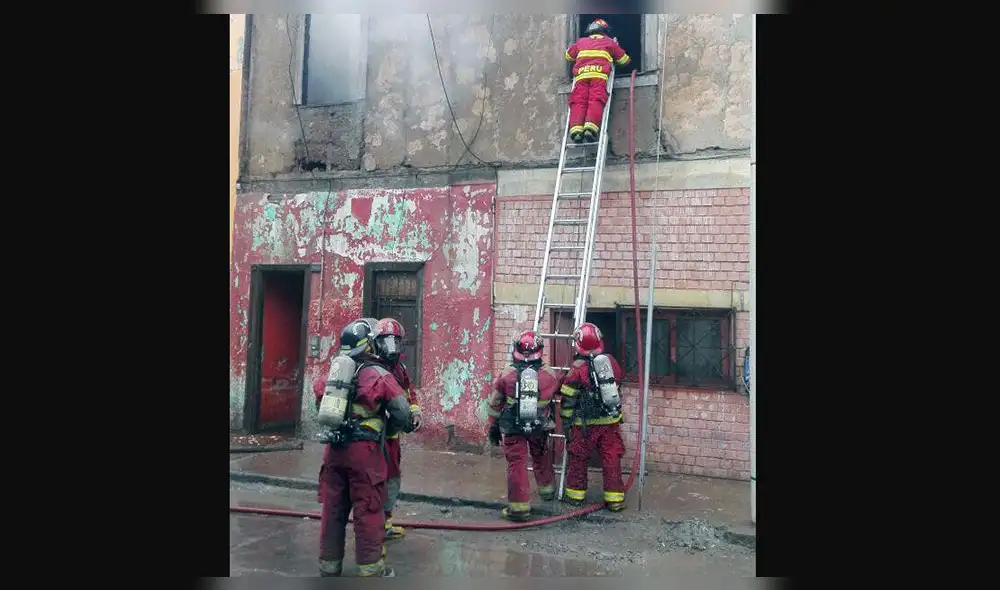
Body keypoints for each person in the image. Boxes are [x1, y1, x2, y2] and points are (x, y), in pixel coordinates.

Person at [314, 318, 414, 577]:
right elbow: (401, 411)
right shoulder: (378, 374)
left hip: (334, 451)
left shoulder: (333, 374)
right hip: (365, 454)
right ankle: (371, 570)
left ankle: (329, 566)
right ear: (369, 344)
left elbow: (319, 399)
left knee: (333, 510)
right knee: (368, 509)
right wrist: (391, 430)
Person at [486, 330, 562, 521]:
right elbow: (559, 391)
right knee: (541, 455)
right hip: (539, 426)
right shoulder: (550, 375)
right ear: (539, 350)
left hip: (513, 427)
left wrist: (493, 427)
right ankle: (547, 492)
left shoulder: (506, 374)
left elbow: (495, 404)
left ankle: (519, 508)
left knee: (517, 463)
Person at [558, 322, 627, 511]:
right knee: (611, 458)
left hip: (584, 425)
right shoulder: (610, 362)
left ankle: (575, 497)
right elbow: (619, 381)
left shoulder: (576, 369)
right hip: (610, 422)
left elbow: (568, 400)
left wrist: (566, 424)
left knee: (578, 459)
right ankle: (615, 500)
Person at [373, 317, 422, 540]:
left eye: (395, 342)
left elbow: (408, 391)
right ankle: (373, 525)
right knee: (374, 479)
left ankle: (385, 522)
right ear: (375, 342)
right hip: (371, 437)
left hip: (391, 435)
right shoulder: (370, 368)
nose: (390, 347)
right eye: (386, 342)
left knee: (391, 477)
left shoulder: (399, 368)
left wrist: (415, 412)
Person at [563, 17, 632, 144]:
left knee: (578, 102)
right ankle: (590, 128)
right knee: (596, 100)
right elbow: (624, 60)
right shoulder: (609, 42)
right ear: (604, 31)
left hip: (581, 78)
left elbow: (568, 55)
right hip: (598, 77)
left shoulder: (581, 42)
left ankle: (576, 131)